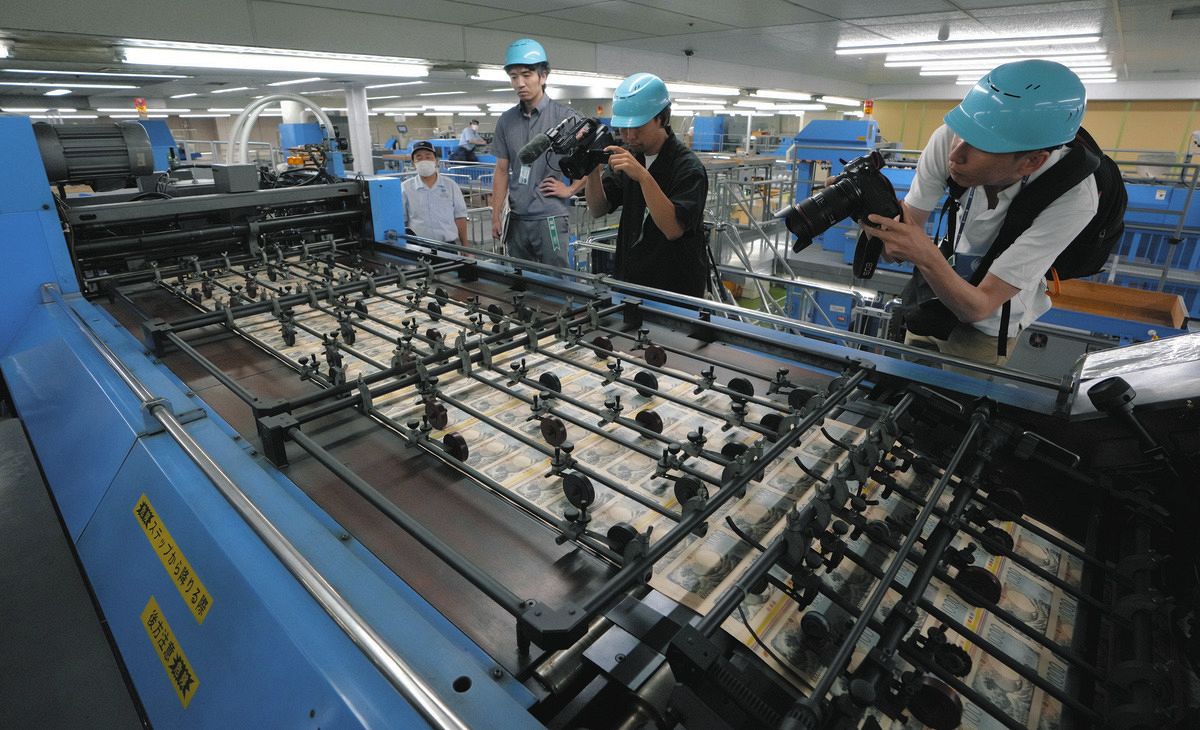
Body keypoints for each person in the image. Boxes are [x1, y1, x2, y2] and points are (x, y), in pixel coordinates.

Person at [864, 60, 1098, 367]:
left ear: (1031, 162)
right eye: (961, 134)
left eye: (980, 146)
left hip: (988, 325)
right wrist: (871, 209)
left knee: (954, 407)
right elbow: (894, 251)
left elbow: (978, 307)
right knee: (905, 378)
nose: (955, 154)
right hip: (930, 300)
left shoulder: (1074, 198)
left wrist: (925, 254)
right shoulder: (951, 138)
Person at [584, 73, 710, 297]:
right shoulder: (632, 157)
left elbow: (673, 229)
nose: (630, 136)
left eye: (638, 128)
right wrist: (592, 170)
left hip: (674, 290)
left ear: (661, 119)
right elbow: (598, 209)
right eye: (623, 129)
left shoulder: (688, 168)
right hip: (630, 282)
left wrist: (643, 177)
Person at [491, 38, 585, 269]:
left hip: (550, 216)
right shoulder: (506, 121)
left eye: (526, 75)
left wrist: (571, 189)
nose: (520, 83)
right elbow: (502, 171)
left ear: (543, 76)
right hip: (516, 218)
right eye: (514, 77)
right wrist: (495, 214)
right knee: (521, 282)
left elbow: (593, 162)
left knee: (556, 283)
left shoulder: (567, 118)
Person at [402, 141, 470, 247]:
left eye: (428, 157)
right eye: (419, 158)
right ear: (413, 163)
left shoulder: (450, 186)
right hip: (418, 247)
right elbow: (403, 220)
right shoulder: (406, 188)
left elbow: (460, 217)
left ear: (436, 161)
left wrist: (465, 246)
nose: (424, 161)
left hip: (448, 246)